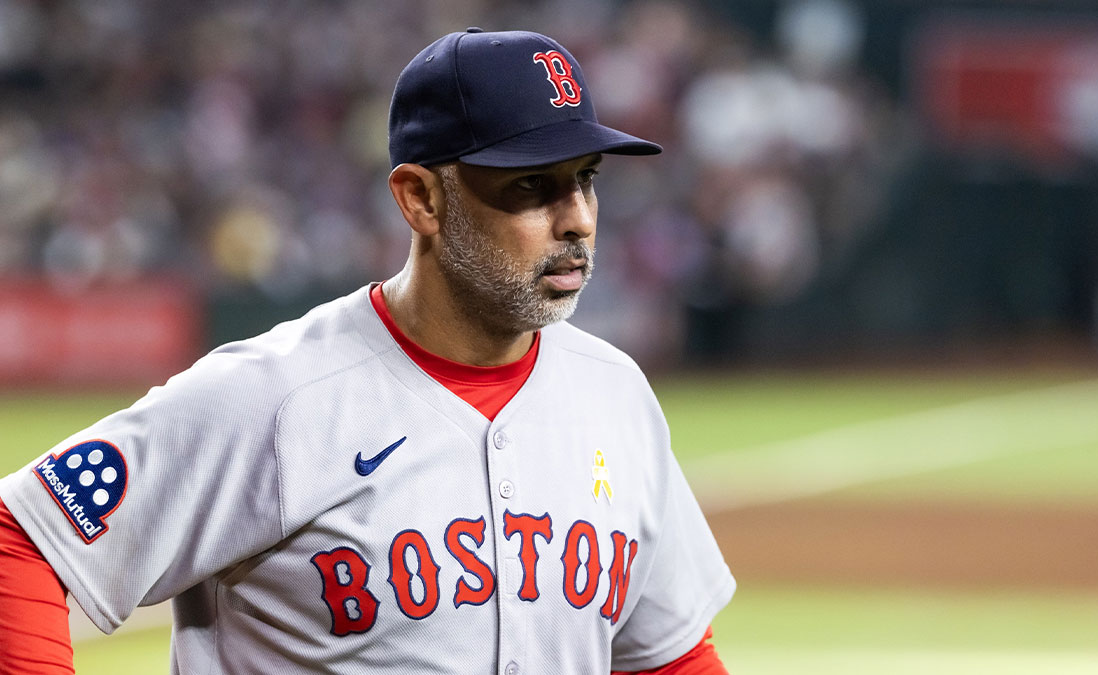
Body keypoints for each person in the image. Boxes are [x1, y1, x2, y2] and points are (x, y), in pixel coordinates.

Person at [0, 28, 735, 673]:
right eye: (531, 186)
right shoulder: (275, 396)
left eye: (585, 181)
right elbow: (24, 536)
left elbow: (667, 657)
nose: (575, 219)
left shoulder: (615, 393)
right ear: (421, 199)